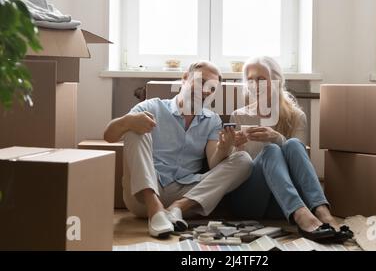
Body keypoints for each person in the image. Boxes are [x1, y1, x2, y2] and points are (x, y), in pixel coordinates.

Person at [104, 61, 253, 238]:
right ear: (184, 78)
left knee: (244, 159)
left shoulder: (212, 120)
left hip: (188, 198)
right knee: (135, 129)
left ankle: (175, 208)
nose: (206, 90)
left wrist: (225, 147)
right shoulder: (151, 107)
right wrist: (127, 122)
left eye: (212, 88)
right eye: (201, 82)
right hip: (144, 194)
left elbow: (214, 163)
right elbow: (109, 136)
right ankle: (155, 210)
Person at [227, 57, 353, 243]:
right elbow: (231, 171)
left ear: (277, 81)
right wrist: (235, 146)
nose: (255, 85)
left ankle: (323, 213)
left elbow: (301, 162)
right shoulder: (239, 116)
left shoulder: (296, 116)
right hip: (250, 199)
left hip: (283, 204)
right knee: (270, 150)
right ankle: (304, 218)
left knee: (292, 144)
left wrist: (277, 138)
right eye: (250, 80)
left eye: (261, 79)